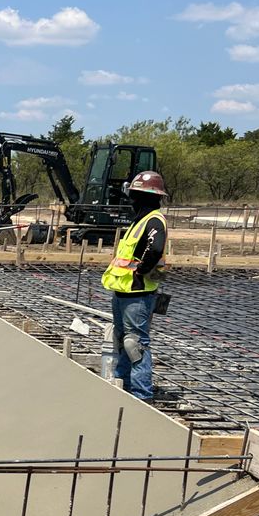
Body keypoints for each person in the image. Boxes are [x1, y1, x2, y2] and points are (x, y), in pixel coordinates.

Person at [100, 170, 169, 401]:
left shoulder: (154, 220)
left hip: (138, 293)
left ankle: (141, 395)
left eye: (135, 195)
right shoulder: (138, 221)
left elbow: (156, 249)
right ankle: (123, 385)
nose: (132, 199)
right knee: (122, 340)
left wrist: (140, 272)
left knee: (135, 344)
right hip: (123, 290)